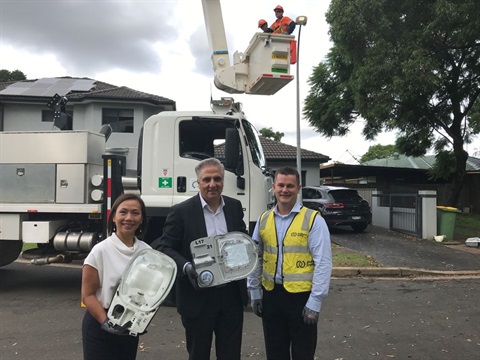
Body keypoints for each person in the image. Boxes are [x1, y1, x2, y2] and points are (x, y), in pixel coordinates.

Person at [152, 158, 248, 360]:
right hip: (197, 296)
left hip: (231, 295)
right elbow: (164, 246)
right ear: (198, 182)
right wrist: (186, 267)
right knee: (198, 354)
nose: (212, 184)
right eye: (207, 180)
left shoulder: (234, 207)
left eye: (217, 179)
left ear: (223, 181)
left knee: (231, 354)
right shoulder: (182, 212)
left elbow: (241, 239)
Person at [247, 167, 332, 360]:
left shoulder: (313, 220)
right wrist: (254, 292)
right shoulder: (263, 219)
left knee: (303, 354)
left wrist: (315, 302)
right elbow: (255, 258)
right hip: (271, 297)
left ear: (298, 188)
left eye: (290, 186)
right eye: (281, 185)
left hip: (301, 300)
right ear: (274, 187)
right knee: (275, 354)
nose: (285, 190)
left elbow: (323, 263)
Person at [81, 193, 151, 360]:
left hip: (129, 325)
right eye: (123, 212)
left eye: (135, 213)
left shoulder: (147, 253)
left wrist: (143, 317)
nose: (129, 218)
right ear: (113, 217)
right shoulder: (100, 251)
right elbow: (87, 295)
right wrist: (106, 322)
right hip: (100, 324)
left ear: (141, 219)